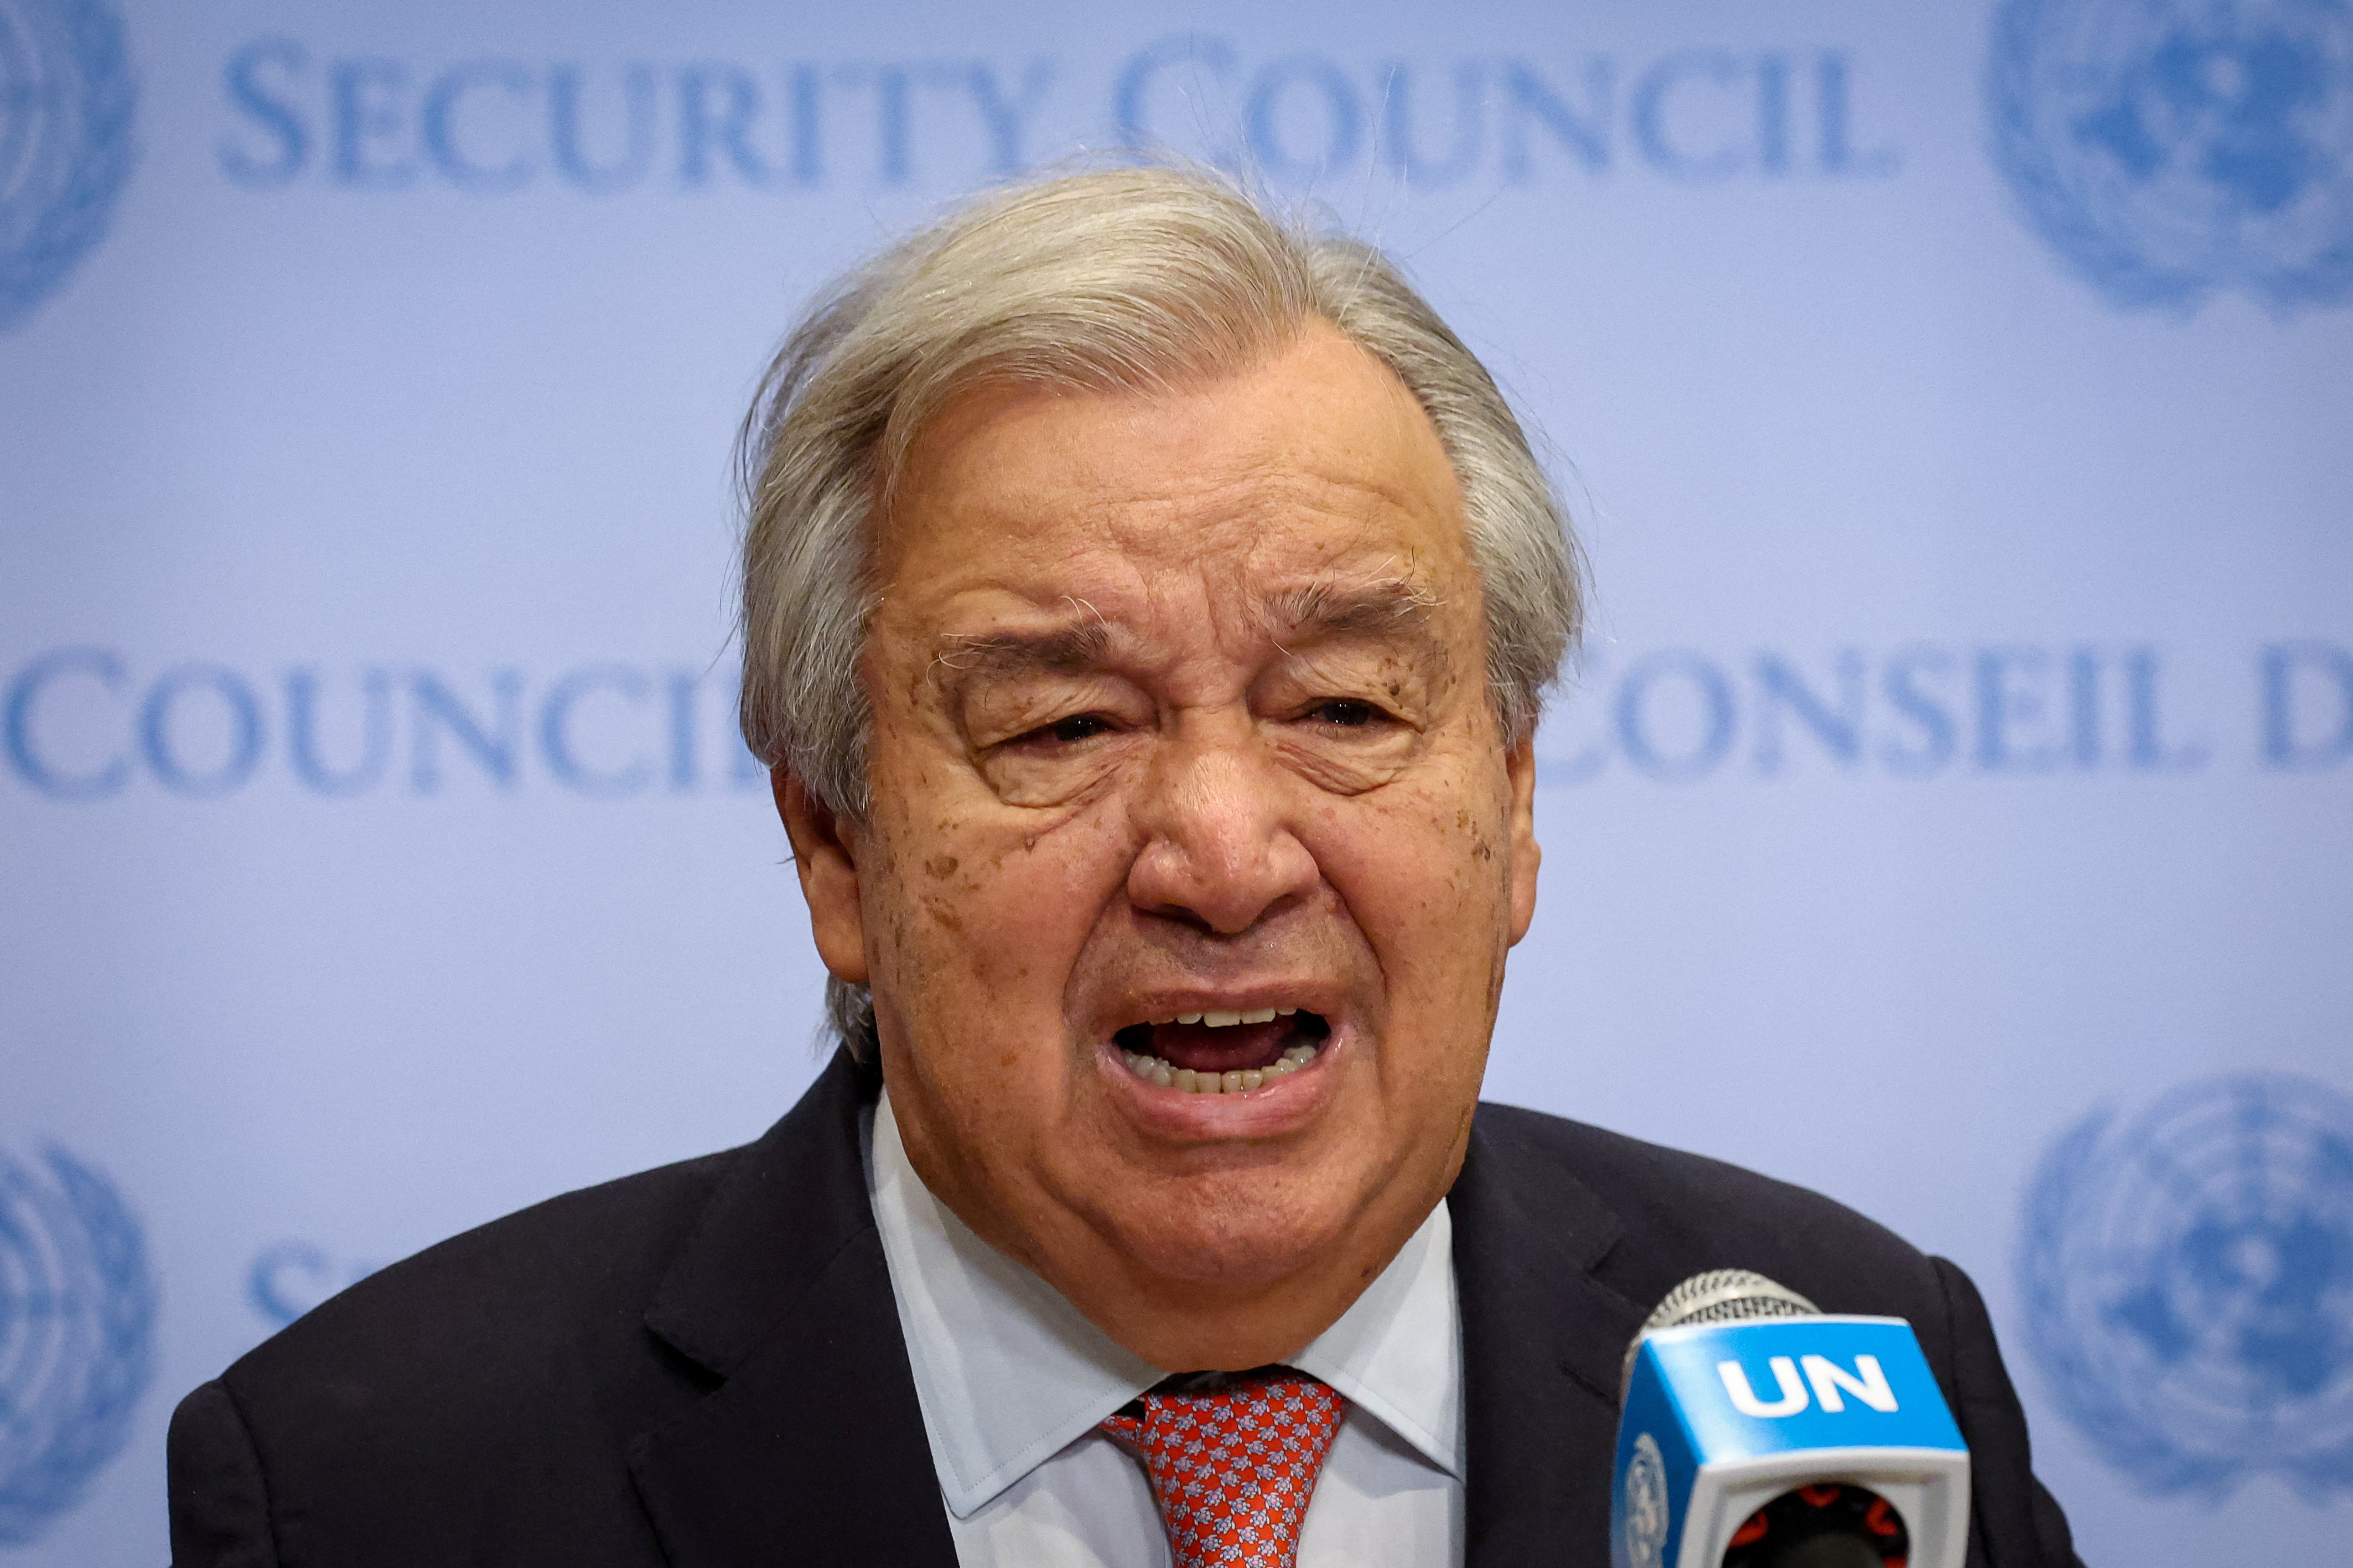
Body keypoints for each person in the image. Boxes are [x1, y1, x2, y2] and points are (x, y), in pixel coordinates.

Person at [167, 167, 2081, 1568]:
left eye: (1342, 705)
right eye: (1064, 726)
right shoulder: (384, 1483)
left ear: (1508, 795)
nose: (1224, 855)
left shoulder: (1862, 1372)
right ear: (833, 843)